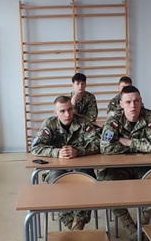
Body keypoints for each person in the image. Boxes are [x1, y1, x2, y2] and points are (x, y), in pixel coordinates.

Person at [99, 85, 151, 241]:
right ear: (121, 104)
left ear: (141, 101)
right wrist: (143, 147)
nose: (133, 106)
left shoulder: (150, 116)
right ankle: (128, 224)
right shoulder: (114, 118)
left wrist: (129, 142)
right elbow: (106, 148)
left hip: (145, 166)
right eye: (128, 102)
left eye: (136, 101)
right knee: (107, 186)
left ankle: (143, 223)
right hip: (118, 168)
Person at [31, 96, 101, 230]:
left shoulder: (83, 121)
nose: (67, 114)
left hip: (81, 165)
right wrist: (56, 152)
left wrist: (78, 151)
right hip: (58, 167)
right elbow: (36, 147)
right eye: (62, 111)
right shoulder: (49, 124)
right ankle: (71, 224)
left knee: (88, 183)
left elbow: (97, 143)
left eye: (70, 109)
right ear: (55, 113)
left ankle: (78, 222)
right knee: (55, 184)